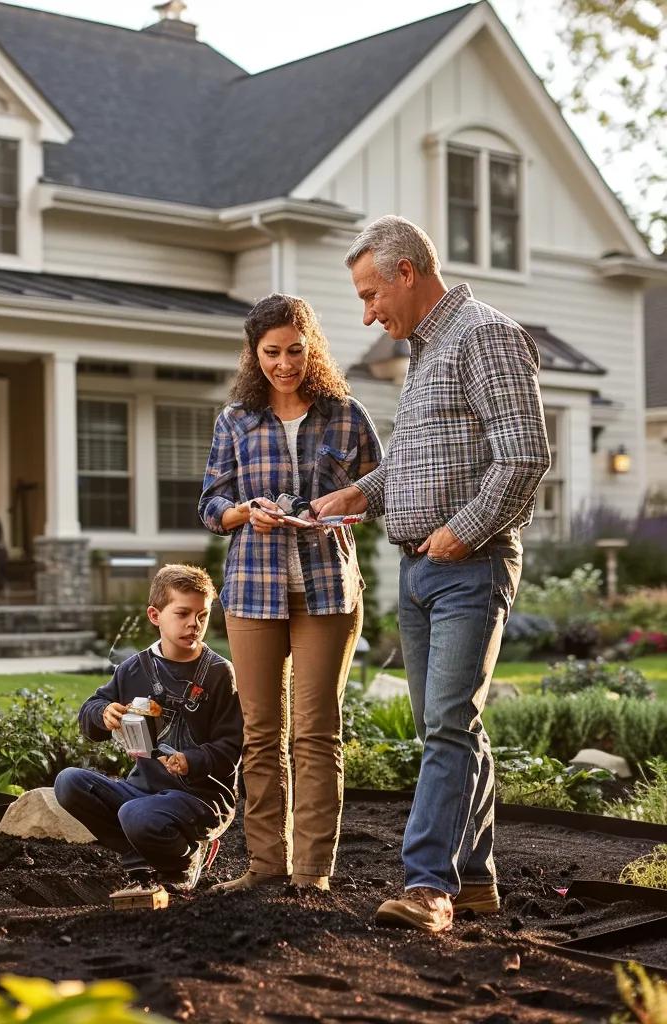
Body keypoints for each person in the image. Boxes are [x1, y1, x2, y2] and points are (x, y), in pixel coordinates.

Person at [313, 215, 550, 933]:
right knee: (448, 726)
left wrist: (463, 531)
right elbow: (424, 461)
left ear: (407, 273)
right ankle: (473, 880)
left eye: (370, 292)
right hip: (419, 570)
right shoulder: (426, 352)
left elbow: (526, 454)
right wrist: (363, 493)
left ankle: (427, 888)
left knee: (448, 725)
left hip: (469, 567)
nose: (367, 311)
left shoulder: (484, 335)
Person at [198, 294, 383, 892]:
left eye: (295, 351)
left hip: (328, 591)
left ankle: (311, 875)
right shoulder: (235, 420)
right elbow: (210, 504)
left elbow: (380, 488)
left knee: (315, 732)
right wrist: (244, 513)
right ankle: (263, 867)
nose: (285, 364)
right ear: (255, 355)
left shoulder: (347, 416)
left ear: (312, 348)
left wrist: (345, 507)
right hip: (253, 591)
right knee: (259, 733)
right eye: (272, 353)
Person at [54, 564, 243, 898]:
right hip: (143, 790)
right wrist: (103, 713)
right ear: (155, 615)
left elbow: (232, 745)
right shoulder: (134, 669)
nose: (193, 624)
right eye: (182, 613)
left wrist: (193, 760)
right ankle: (140, 859)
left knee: (136, 815)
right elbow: (90, 711)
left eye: (202, 615)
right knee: (69, 782)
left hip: (201, 799)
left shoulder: (218, 673)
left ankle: (184, 862)